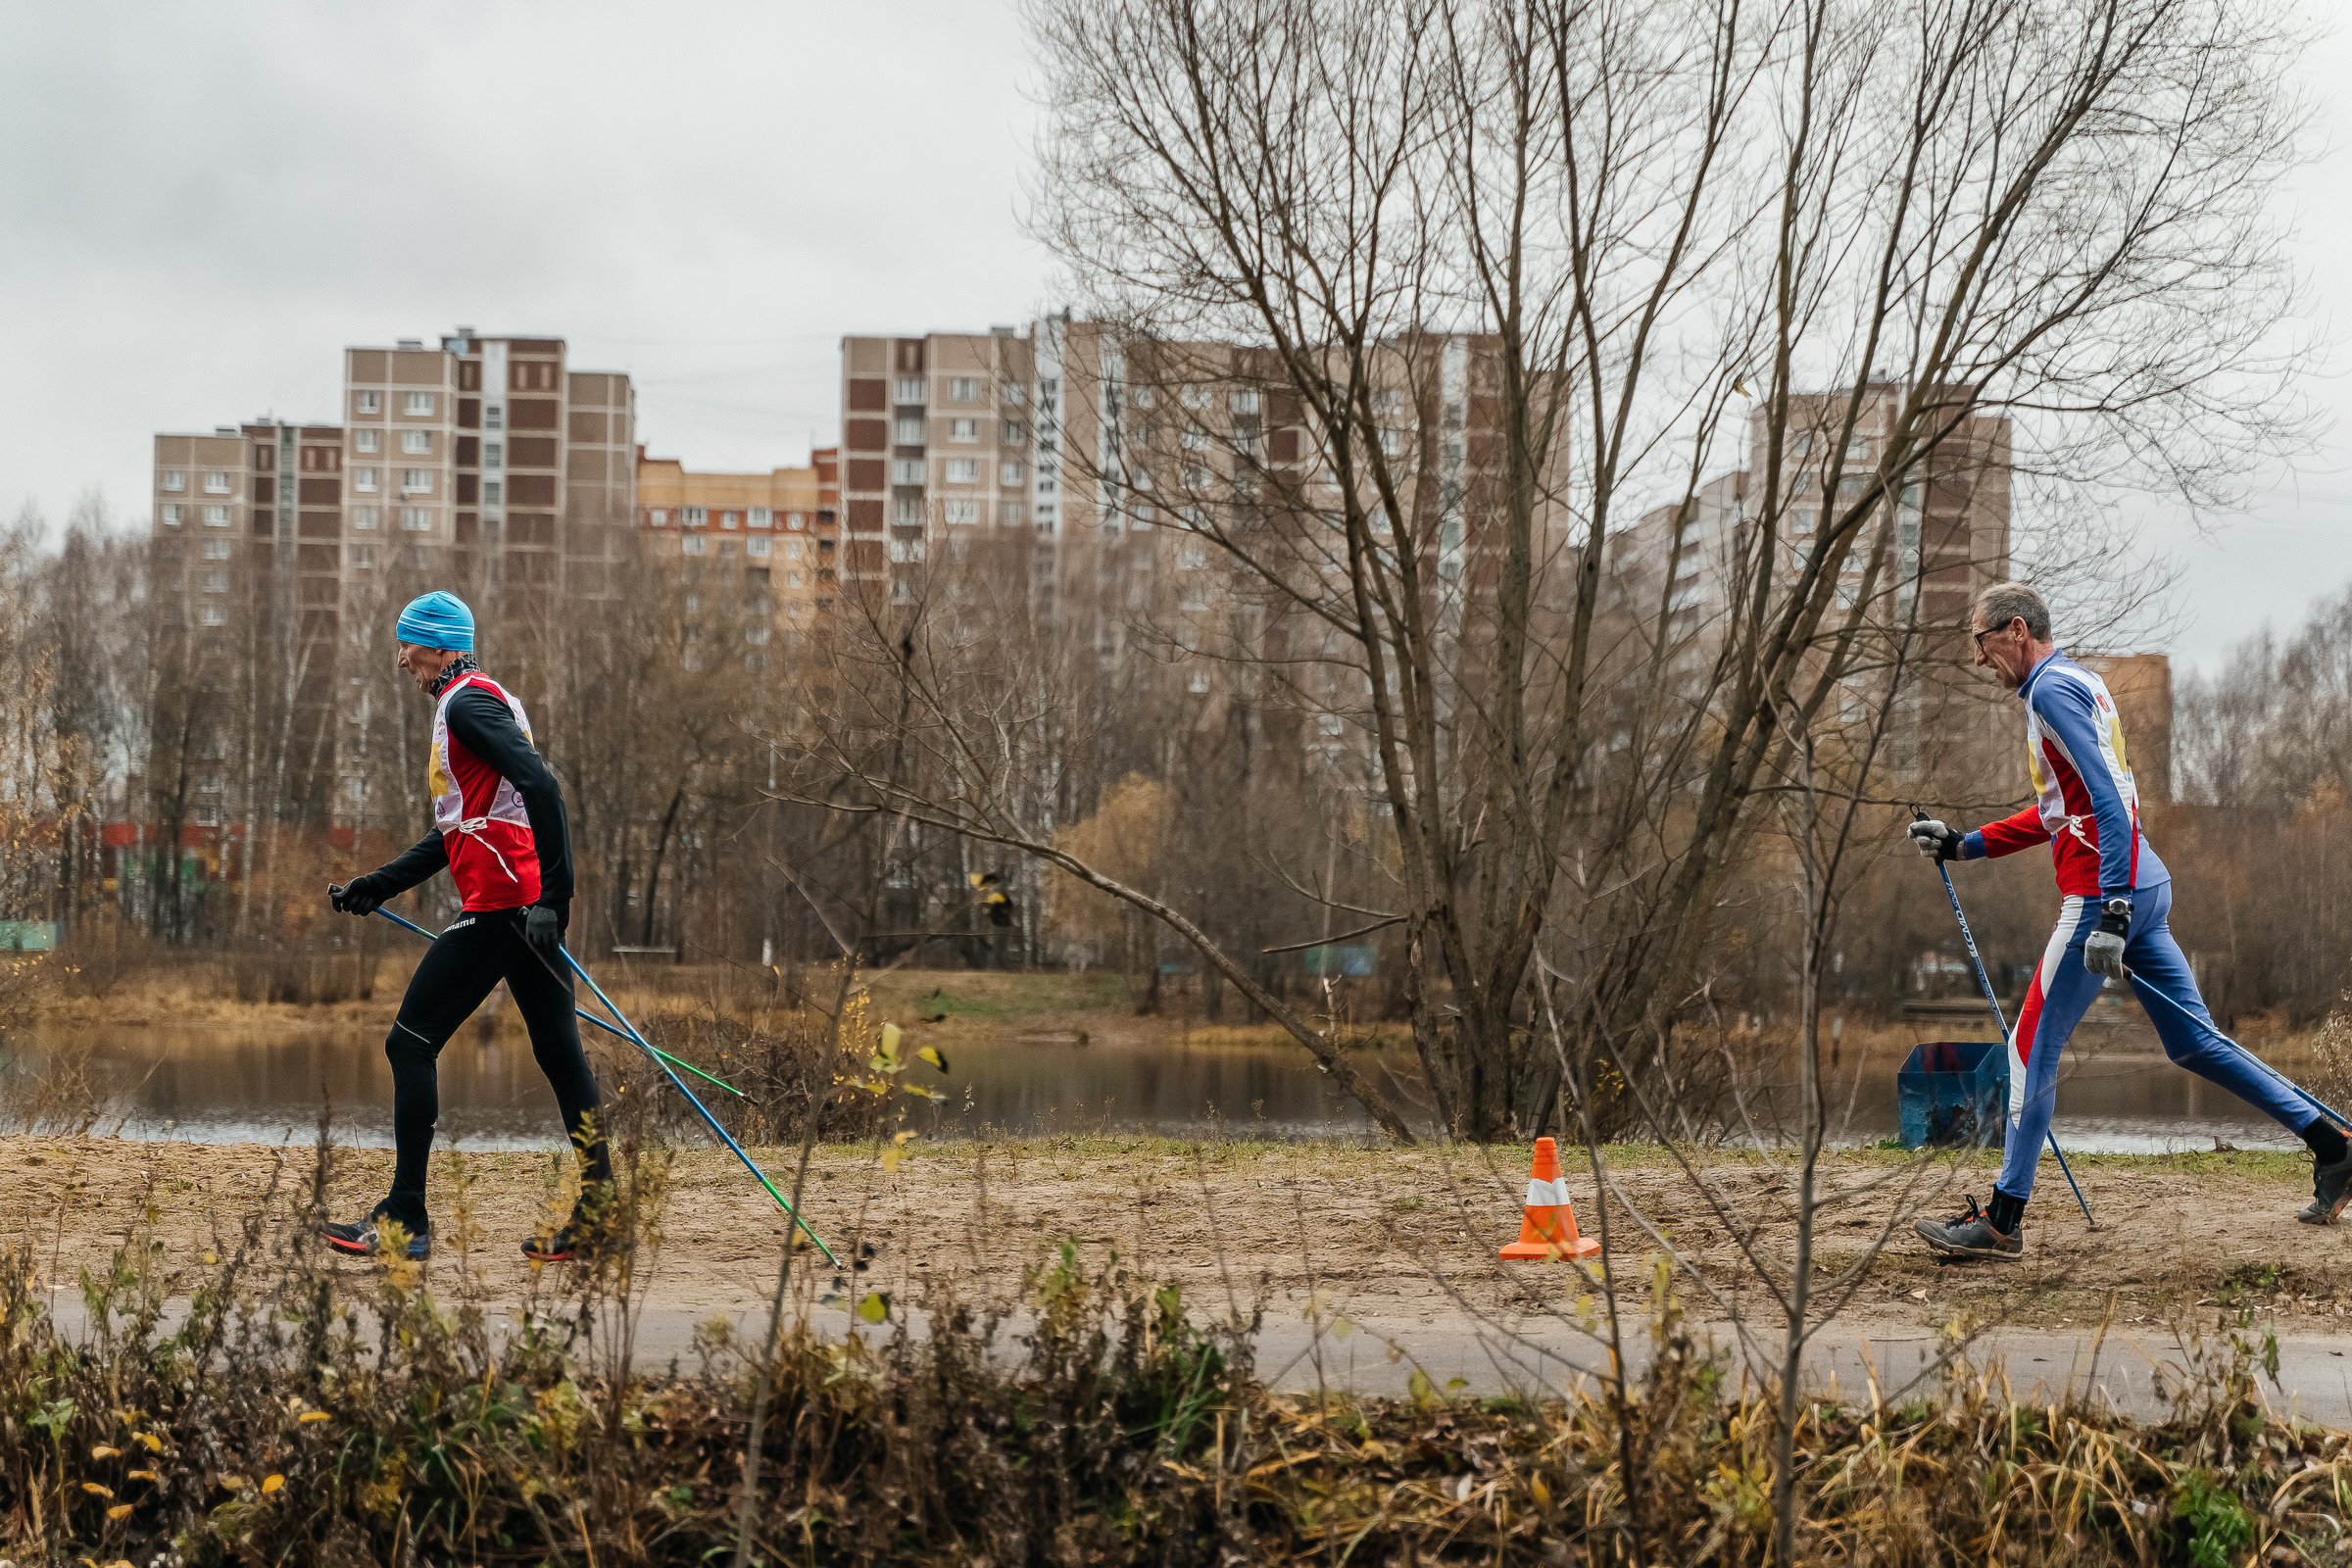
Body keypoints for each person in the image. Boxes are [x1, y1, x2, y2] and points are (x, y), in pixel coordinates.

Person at [1908, 582, 2351, 1260]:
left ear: (2015, 630)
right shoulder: (2074, 684)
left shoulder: (2051, 693)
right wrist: (1967, 843)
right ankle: (2333, 1144)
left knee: (2030, 1051)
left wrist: (2110, 907)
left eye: (1980, 641)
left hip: (2103, 895)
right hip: (2144, 883)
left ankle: (2001, 1222)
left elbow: (2112, 798)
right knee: (2194, 1042)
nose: (1977, 658)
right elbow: (2067, 810)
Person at [321, 590, 611, 1263]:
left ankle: (406, 1219)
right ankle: (601, 1211)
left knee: (409, 1044)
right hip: (520, 905)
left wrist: (554, 903)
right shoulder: (480, 702)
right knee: (561, 1056)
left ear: (443, 646)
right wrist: (379, 884)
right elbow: (455, 828)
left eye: (410, 646)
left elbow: (543, 786)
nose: (402, 661)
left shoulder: (468, 704)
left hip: (506, 909)